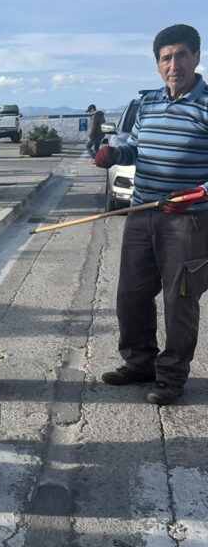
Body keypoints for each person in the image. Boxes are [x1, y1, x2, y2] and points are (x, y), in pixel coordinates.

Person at [94, 23, 208, 405]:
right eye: (165, 58)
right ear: (157, 64)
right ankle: (139, 362)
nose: (174, 65)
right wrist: (115, 154)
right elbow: (136, 149)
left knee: (180, 299)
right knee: (131, 293)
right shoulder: (149, 104)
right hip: (142, 213)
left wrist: (199, 193)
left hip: (188, 219)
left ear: (196, 57)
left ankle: (172, 376)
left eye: (181, 55)